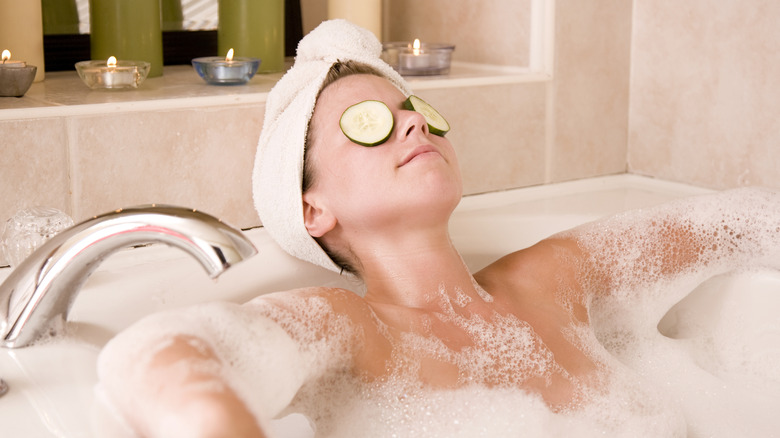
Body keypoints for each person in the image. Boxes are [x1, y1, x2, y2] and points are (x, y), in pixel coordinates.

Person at [96, 20, 780, 438]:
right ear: (312, 210)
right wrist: (214, 424)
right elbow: (170, 355)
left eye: (414, 109)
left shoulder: (550, 279)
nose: (416, 123)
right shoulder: (356, 331)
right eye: (369, 126)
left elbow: (729, 228)